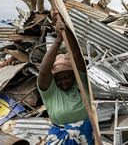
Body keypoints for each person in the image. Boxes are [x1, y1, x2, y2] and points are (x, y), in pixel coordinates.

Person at [37, 15, 93, 145]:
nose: (63, 82)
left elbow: (76, 55)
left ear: (74, 75)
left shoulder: (82, 84)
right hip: (59, 138)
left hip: (86, 137)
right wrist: (58, 40)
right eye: (59, 78)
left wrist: (66, 31)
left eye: (67, 77)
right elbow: (44, 72)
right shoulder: (51, 92)